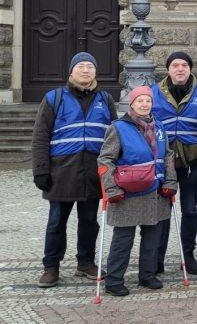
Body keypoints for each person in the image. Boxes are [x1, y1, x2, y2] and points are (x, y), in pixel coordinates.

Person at [31, 52, 118, 288]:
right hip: (62, 171)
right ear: (71, 71)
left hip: (94, 171)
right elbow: (40, 136)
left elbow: (114, 137)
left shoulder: (106, 99)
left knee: (90, 221)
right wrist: (41, 170)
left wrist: (114, 169)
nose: (86, 70)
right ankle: (51, 266)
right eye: (81, 66)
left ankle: (86, 262)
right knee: (56, 221)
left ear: (96, 72)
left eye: (90, 66)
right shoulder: (54, 98)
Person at [97, 86, 178, 296]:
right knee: (123, 239)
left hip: (156, 192)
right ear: (131, 103)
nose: (144, 104)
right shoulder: (118, 128)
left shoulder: (159, 127)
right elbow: (106, 159)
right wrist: (110, 188)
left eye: (148, 101)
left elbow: (168, 155)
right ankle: (114, 280)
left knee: (153, 237)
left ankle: (147, 275)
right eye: (140, 101)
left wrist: (171, 181)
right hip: (127, 192)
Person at [151, 51, 197, 276]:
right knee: (162, 210)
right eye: (175, 65)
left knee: (190, 209)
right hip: (162, 161)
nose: (180, 69)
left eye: (184, 65)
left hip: (193, 160)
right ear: (168, 69)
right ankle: (157, 257)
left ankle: (188, 254)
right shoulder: (154, 92)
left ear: (190, 69)